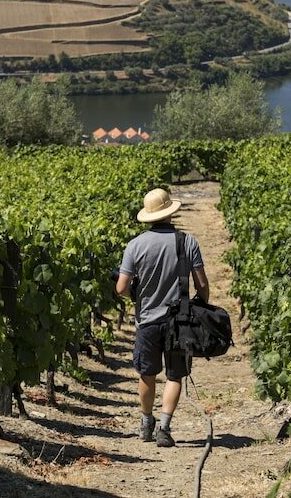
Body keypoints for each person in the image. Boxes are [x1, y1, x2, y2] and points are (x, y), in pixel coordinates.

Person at [116, 187, 209, 448]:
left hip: (146, 320)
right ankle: (165, 428)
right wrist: (202, 303)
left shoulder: (135, 245)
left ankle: (147, 422)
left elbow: (121, 288)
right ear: (170, 212)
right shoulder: (187, 242)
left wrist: (137, 296)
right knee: (175, 374)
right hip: (178, 321)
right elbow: (201, 284)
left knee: (146, 373)